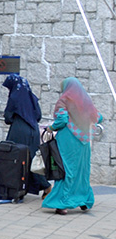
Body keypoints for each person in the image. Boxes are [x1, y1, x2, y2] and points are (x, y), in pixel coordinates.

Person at [43, 78, 101, 215]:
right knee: (82, 171)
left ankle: (62, 204)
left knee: (66, 170)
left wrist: (51, 128)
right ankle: (84, 201)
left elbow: (62, 120)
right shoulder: (86, 101)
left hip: (68, 140)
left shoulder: (64, 100)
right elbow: (98, 117)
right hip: (84, 141)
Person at [3, 73, 49, 196]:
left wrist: (16, 119)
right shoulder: (32, 97)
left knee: (15, 158)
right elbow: (38, 116)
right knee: (32, 158)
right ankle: (43, 186)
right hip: (33, 130)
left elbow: (8, 117)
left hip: (19, 130)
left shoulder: (14, 97)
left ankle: (42, 185)